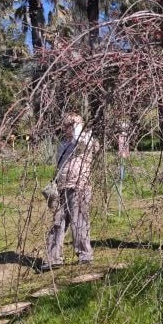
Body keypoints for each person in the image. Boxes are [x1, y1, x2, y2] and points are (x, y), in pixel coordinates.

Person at [42, 112, 97, 271]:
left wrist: (78, 126)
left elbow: (80, 140)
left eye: (70, 125)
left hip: (79, 186)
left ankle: (85, 255)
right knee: (57, 223)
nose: (67, 128)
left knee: (79, 222)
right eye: (66, 125)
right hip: (62, 188)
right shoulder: (63, 144)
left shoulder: (86, 140)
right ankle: (53, 258)